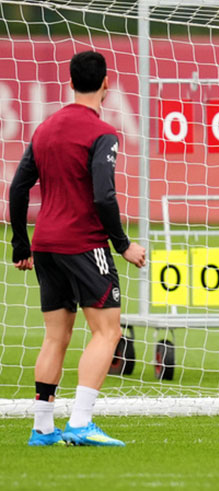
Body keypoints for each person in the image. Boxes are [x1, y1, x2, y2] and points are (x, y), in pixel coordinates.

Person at [9, 50, 147, 447]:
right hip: (84, 244)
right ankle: (82, 422)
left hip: (46, 245)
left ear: (69, 83)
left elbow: (18, 188)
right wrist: (122, 244)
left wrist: (22, 243)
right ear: (106, 84)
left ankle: (42, 428)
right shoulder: (101, 133)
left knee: (56, 336)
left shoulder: (46, 128)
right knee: (107, 331)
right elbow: (104, 197)